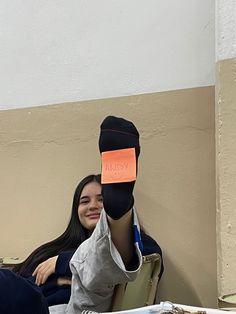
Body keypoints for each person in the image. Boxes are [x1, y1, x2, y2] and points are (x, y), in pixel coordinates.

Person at [0, 116, 163, 314]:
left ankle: (117, 216)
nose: (92, 206)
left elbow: (151, 254)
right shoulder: (54, 246)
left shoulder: (144, 245)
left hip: (71, 308)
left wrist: (65, 263)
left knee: (96, 267)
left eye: (102, 199)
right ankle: (116, 215)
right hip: (24, 302)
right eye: (84, 201)